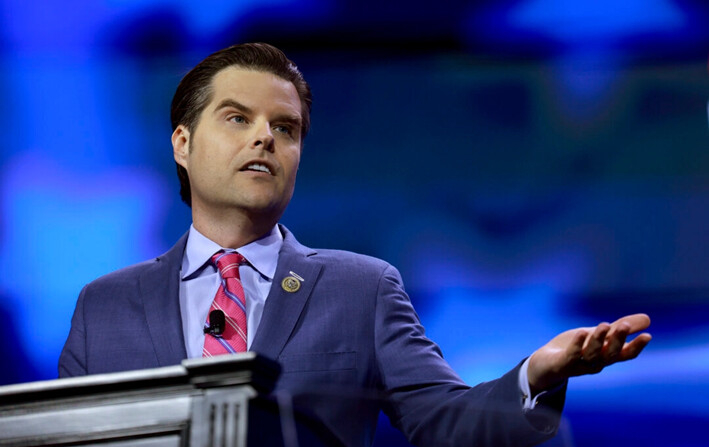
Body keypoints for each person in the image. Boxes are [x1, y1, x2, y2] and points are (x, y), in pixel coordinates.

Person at [58, 43, 652, 447]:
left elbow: (444, 421)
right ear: (182, 144)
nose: (265, 136)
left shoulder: (361, 289)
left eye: (284, 128)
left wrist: (535, 375)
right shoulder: (102, 307)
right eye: (238, 118)